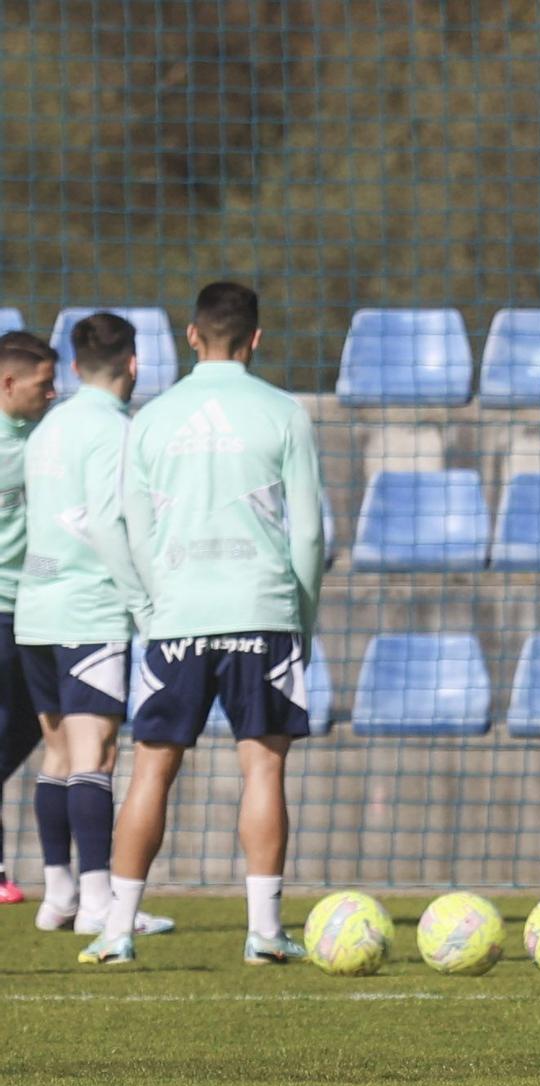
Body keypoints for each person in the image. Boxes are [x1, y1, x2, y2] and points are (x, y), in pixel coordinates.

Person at [78, 281, 325, 965]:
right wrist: (299, 617)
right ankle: (266, 933)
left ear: (192, 336)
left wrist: (148, 606)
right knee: (264, 770)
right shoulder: (285, 413)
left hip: (177, 615)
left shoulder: (151, 419)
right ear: (257, 338)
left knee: (151, 769)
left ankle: (117, 930)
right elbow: (309, 534)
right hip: (262, 611)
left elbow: (123, 523)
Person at [19, 313, 174, 938]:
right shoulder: (118, 432)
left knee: (56, 754)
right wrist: (143, 603)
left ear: (75, 368)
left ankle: (58, 895)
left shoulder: (48, 427)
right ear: (133, 365)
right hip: (90, 609)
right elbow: (110, 525)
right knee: (97, 754)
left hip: (36, 608)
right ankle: (99, 902)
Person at [0, 331, 61, 905]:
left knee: (38, 731)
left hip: (37, 609)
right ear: (8, 383)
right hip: (3, 610)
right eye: (44, 384)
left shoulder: (46, 439)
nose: (54, 393)